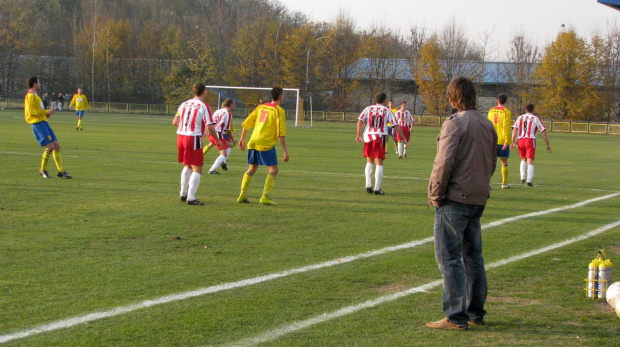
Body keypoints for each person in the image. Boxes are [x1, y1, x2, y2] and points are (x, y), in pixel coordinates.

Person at [426, 76, 497, 330]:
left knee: (449, 258)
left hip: (455, 198)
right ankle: (475, 312)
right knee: (473, 257)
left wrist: (435, 193)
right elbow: (491, 163)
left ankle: (455, 316)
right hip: (478, 197)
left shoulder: (454, 124)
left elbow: (443, 163)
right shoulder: (487, 124)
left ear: (452, 98)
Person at [236, 87, 289, 205]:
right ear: (281, 97)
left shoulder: (261, 107)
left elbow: (247, 122)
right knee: (273, 170)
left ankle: (242, 195)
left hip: (253, 141)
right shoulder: (279, 111)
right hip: (266, 143)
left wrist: (242, 138)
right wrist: (285, 151)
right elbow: (281, 133)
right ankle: (265, 196)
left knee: (252, 168)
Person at [173, 82, 221, 206]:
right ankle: (191, 197)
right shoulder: (203, 106)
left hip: (180, 137)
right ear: (204, 91)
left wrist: (187, 127)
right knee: (197, 168)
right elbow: (210, 126)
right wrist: (218, 140)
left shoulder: (184, 104)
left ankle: (183, 194)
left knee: (188, 165)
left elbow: (175, 122)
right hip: (192, 138)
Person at [356, 92, 407, 195]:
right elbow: (396, 126)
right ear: (384, 101)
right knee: (379, 162)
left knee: (369, 161)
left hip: (368, 136)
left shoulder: (368, 108)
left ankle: (368, 186)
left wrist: (358, 135)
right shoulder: (386, 110)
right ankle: (377, 188)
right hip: (379, 136)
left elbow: (360, 120)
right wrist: (404, 138)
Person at [24, 77, 72, 179]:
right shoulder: (30, 96)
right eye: (39, 82)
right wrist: (46, 112)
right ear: (34, 84)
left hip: (44, 122)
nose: (40, 84)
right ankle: (43, 170)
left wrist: (47, 114)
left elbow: (39, 111)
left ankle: (61, 171)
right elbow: (32, 112)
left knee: (57, 146)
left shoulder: (36, 96)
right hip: (37, 124)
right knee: (50, 147)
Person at [510, 104, 551, 187]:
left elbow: (514, 129)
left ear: (525, 109)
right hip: (530, 140)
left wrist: (513, 142)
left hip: (520, 140)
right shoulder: (535, 118)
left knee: (523, 158)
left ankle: (522, 178)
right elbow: (543, 131)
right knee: (530, 161)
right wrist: (548, 144)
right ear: (533, 110)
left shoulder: (520, 117)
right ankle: (529, 181)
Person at [487, 94, 512, 188]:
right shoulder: (506, 112)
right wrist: (507, 141)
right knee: (504, 162)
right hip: (501, 140)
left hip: (491, 140)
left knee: (490, 162)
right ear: (506, 101)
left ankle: (488, 183)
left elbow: (488, 125)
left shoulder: (491, 111)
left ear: (497, 100)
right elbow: (506, 127)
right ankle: (504, 183)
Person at [208, 98, 236, 174]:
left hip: (211, 133)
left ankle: (223, 162)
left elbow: (210, 122)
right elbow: (227, 129)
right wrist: (232, 138)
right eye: (233, 104)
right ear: (230, 105)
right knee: (223, 154)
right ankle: (212, 169)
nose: (234, 106)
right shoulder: (228, 113)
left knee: (229, 146)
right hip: (218, 134)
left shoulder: (217, 111)